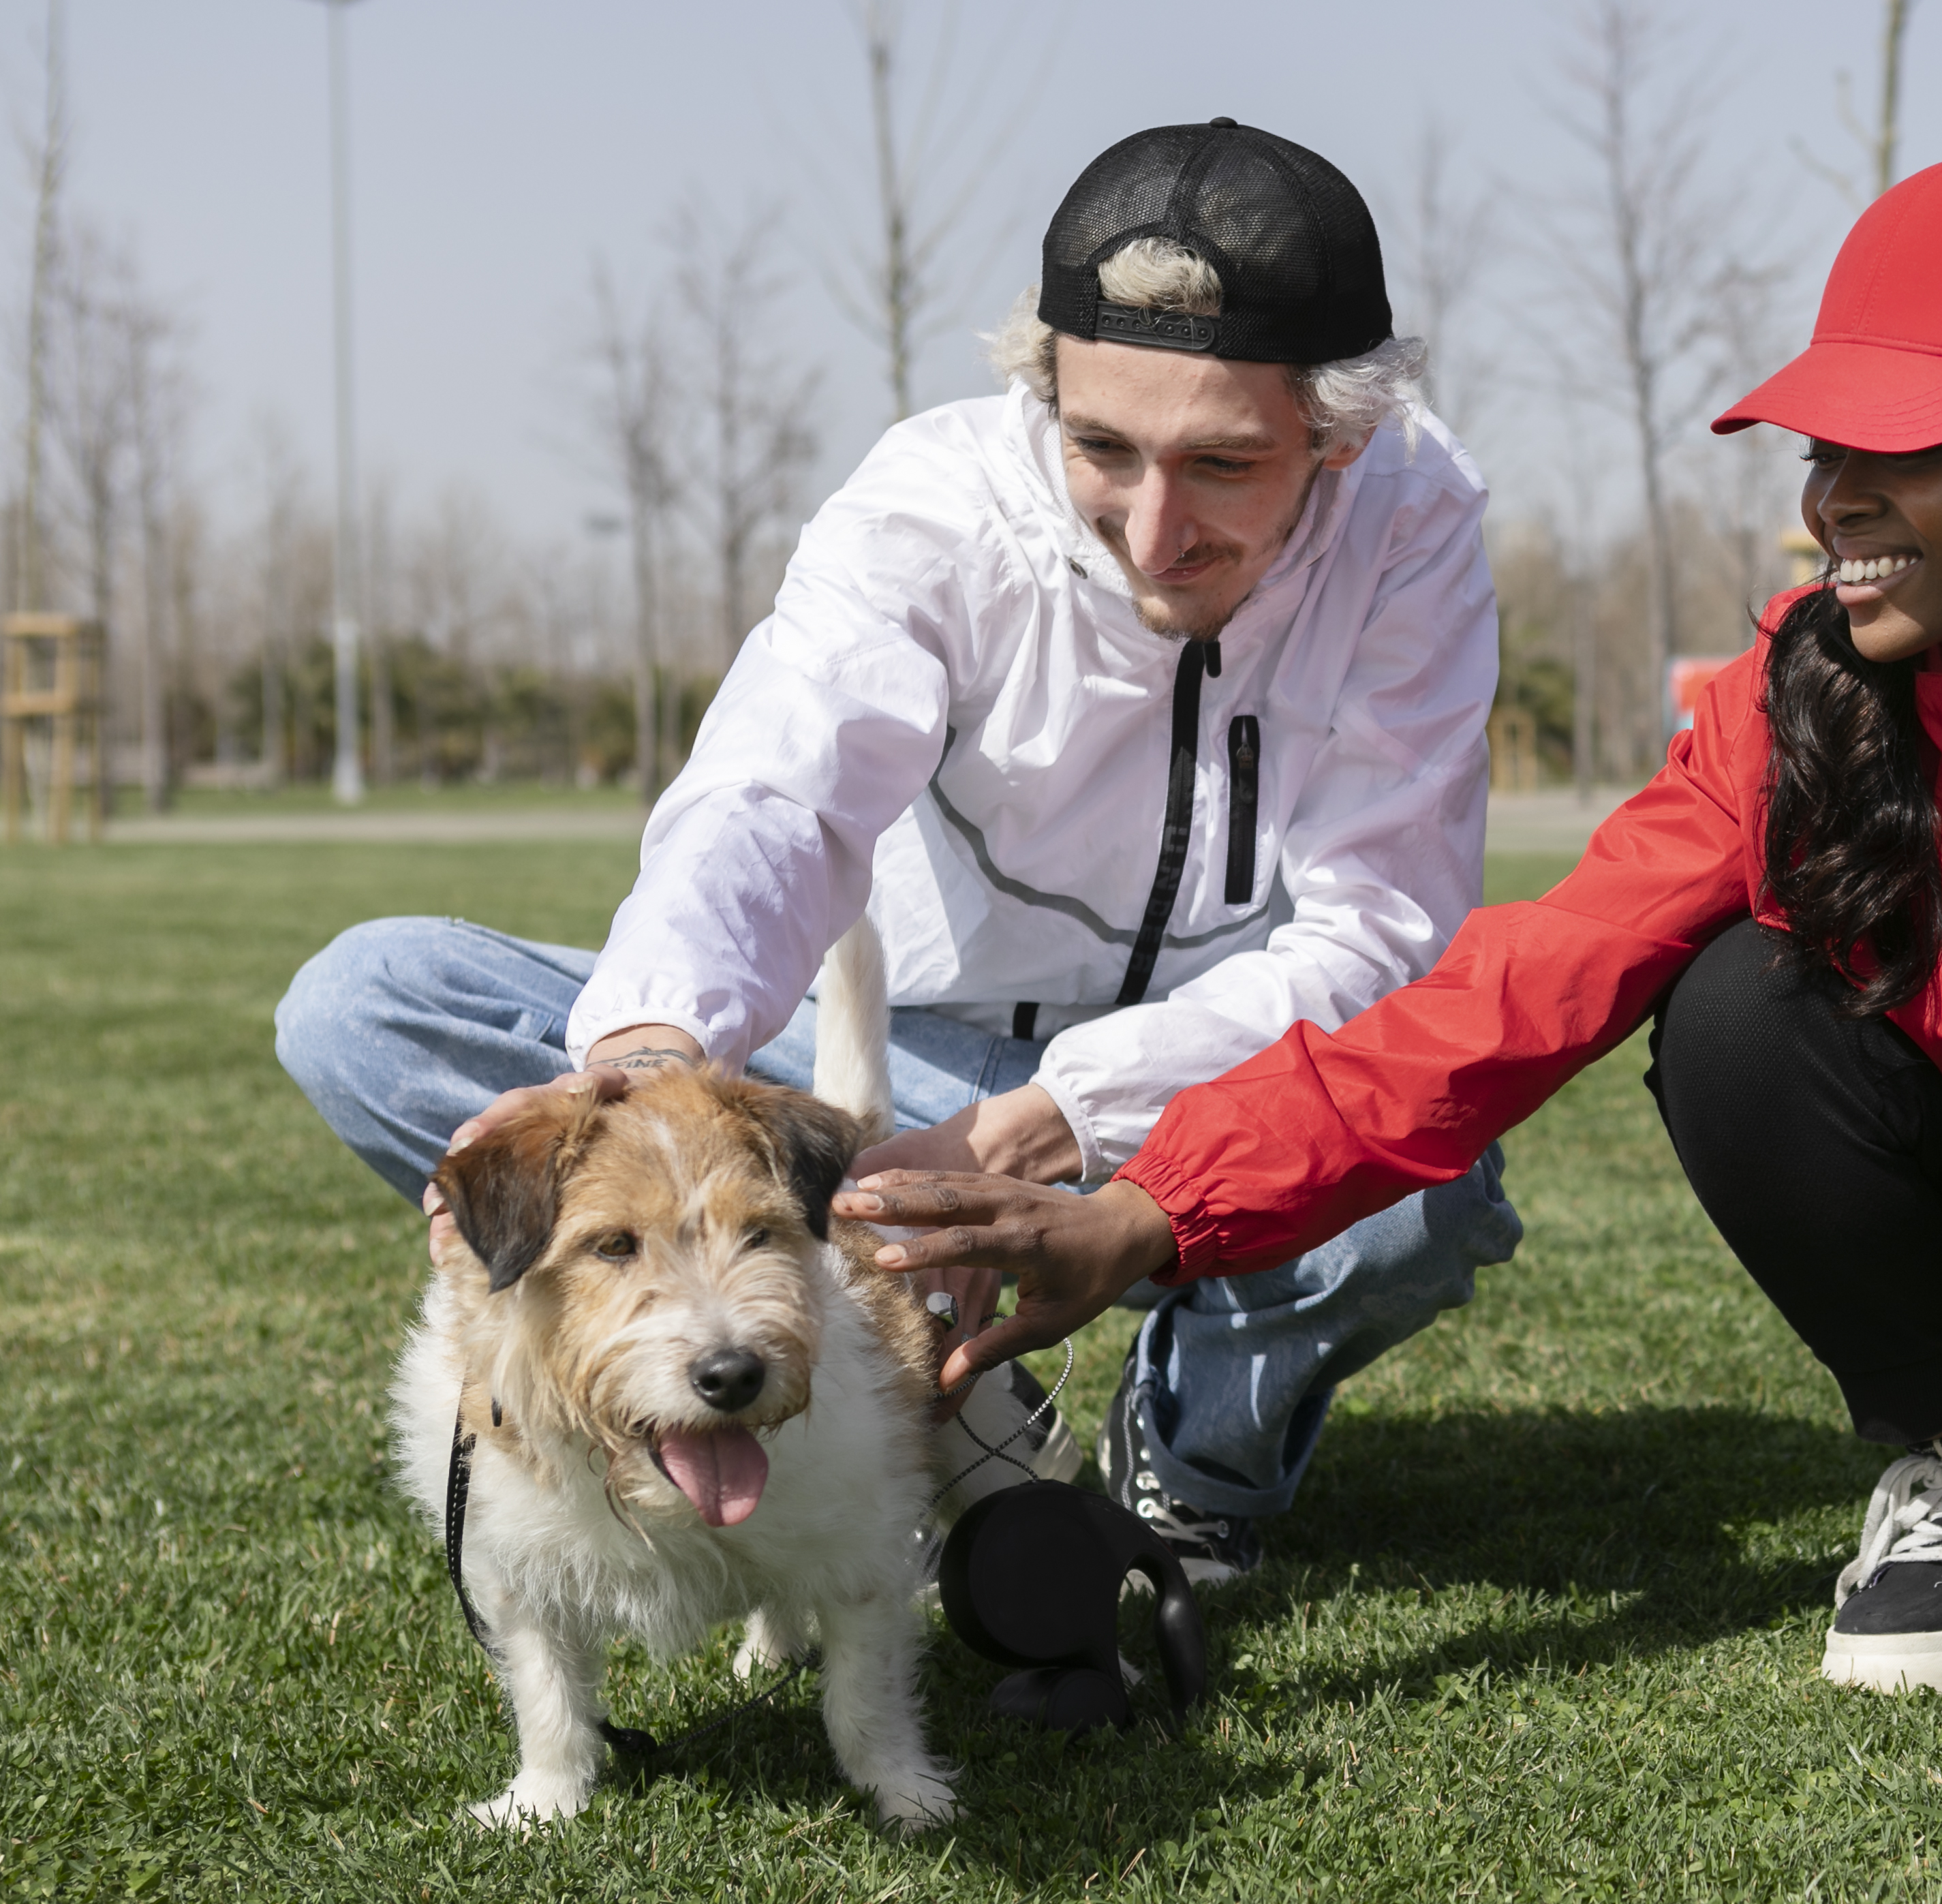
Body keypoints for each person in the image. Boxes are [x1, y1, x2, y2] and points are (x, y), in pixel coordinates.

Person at [835, 157, 1942, 1843]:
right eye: (1822, 438)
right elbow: (1514, 994)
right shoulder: (1815, 698)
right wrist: (1148, 1213)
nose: (1830, 492)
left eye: (1899, 443)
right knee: (1731, 999)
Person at [275, 119, 1523, 1584]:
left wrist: (1054, 1122)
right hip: (878, 1076)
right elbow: (773, 794)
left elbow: (1378, 934)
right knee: (366, 1003)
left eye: (1224, 465)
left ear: (1342, 433)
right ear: (1043, 388)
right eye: (1102, 447)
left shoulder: (1415, 519)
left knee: (1430, 1177)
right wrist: (652, 1050)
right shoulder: (932, 497)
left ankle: (1184, 1468)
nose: (1151, 526)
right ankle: (732, 1361)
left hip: (1200, 1090)